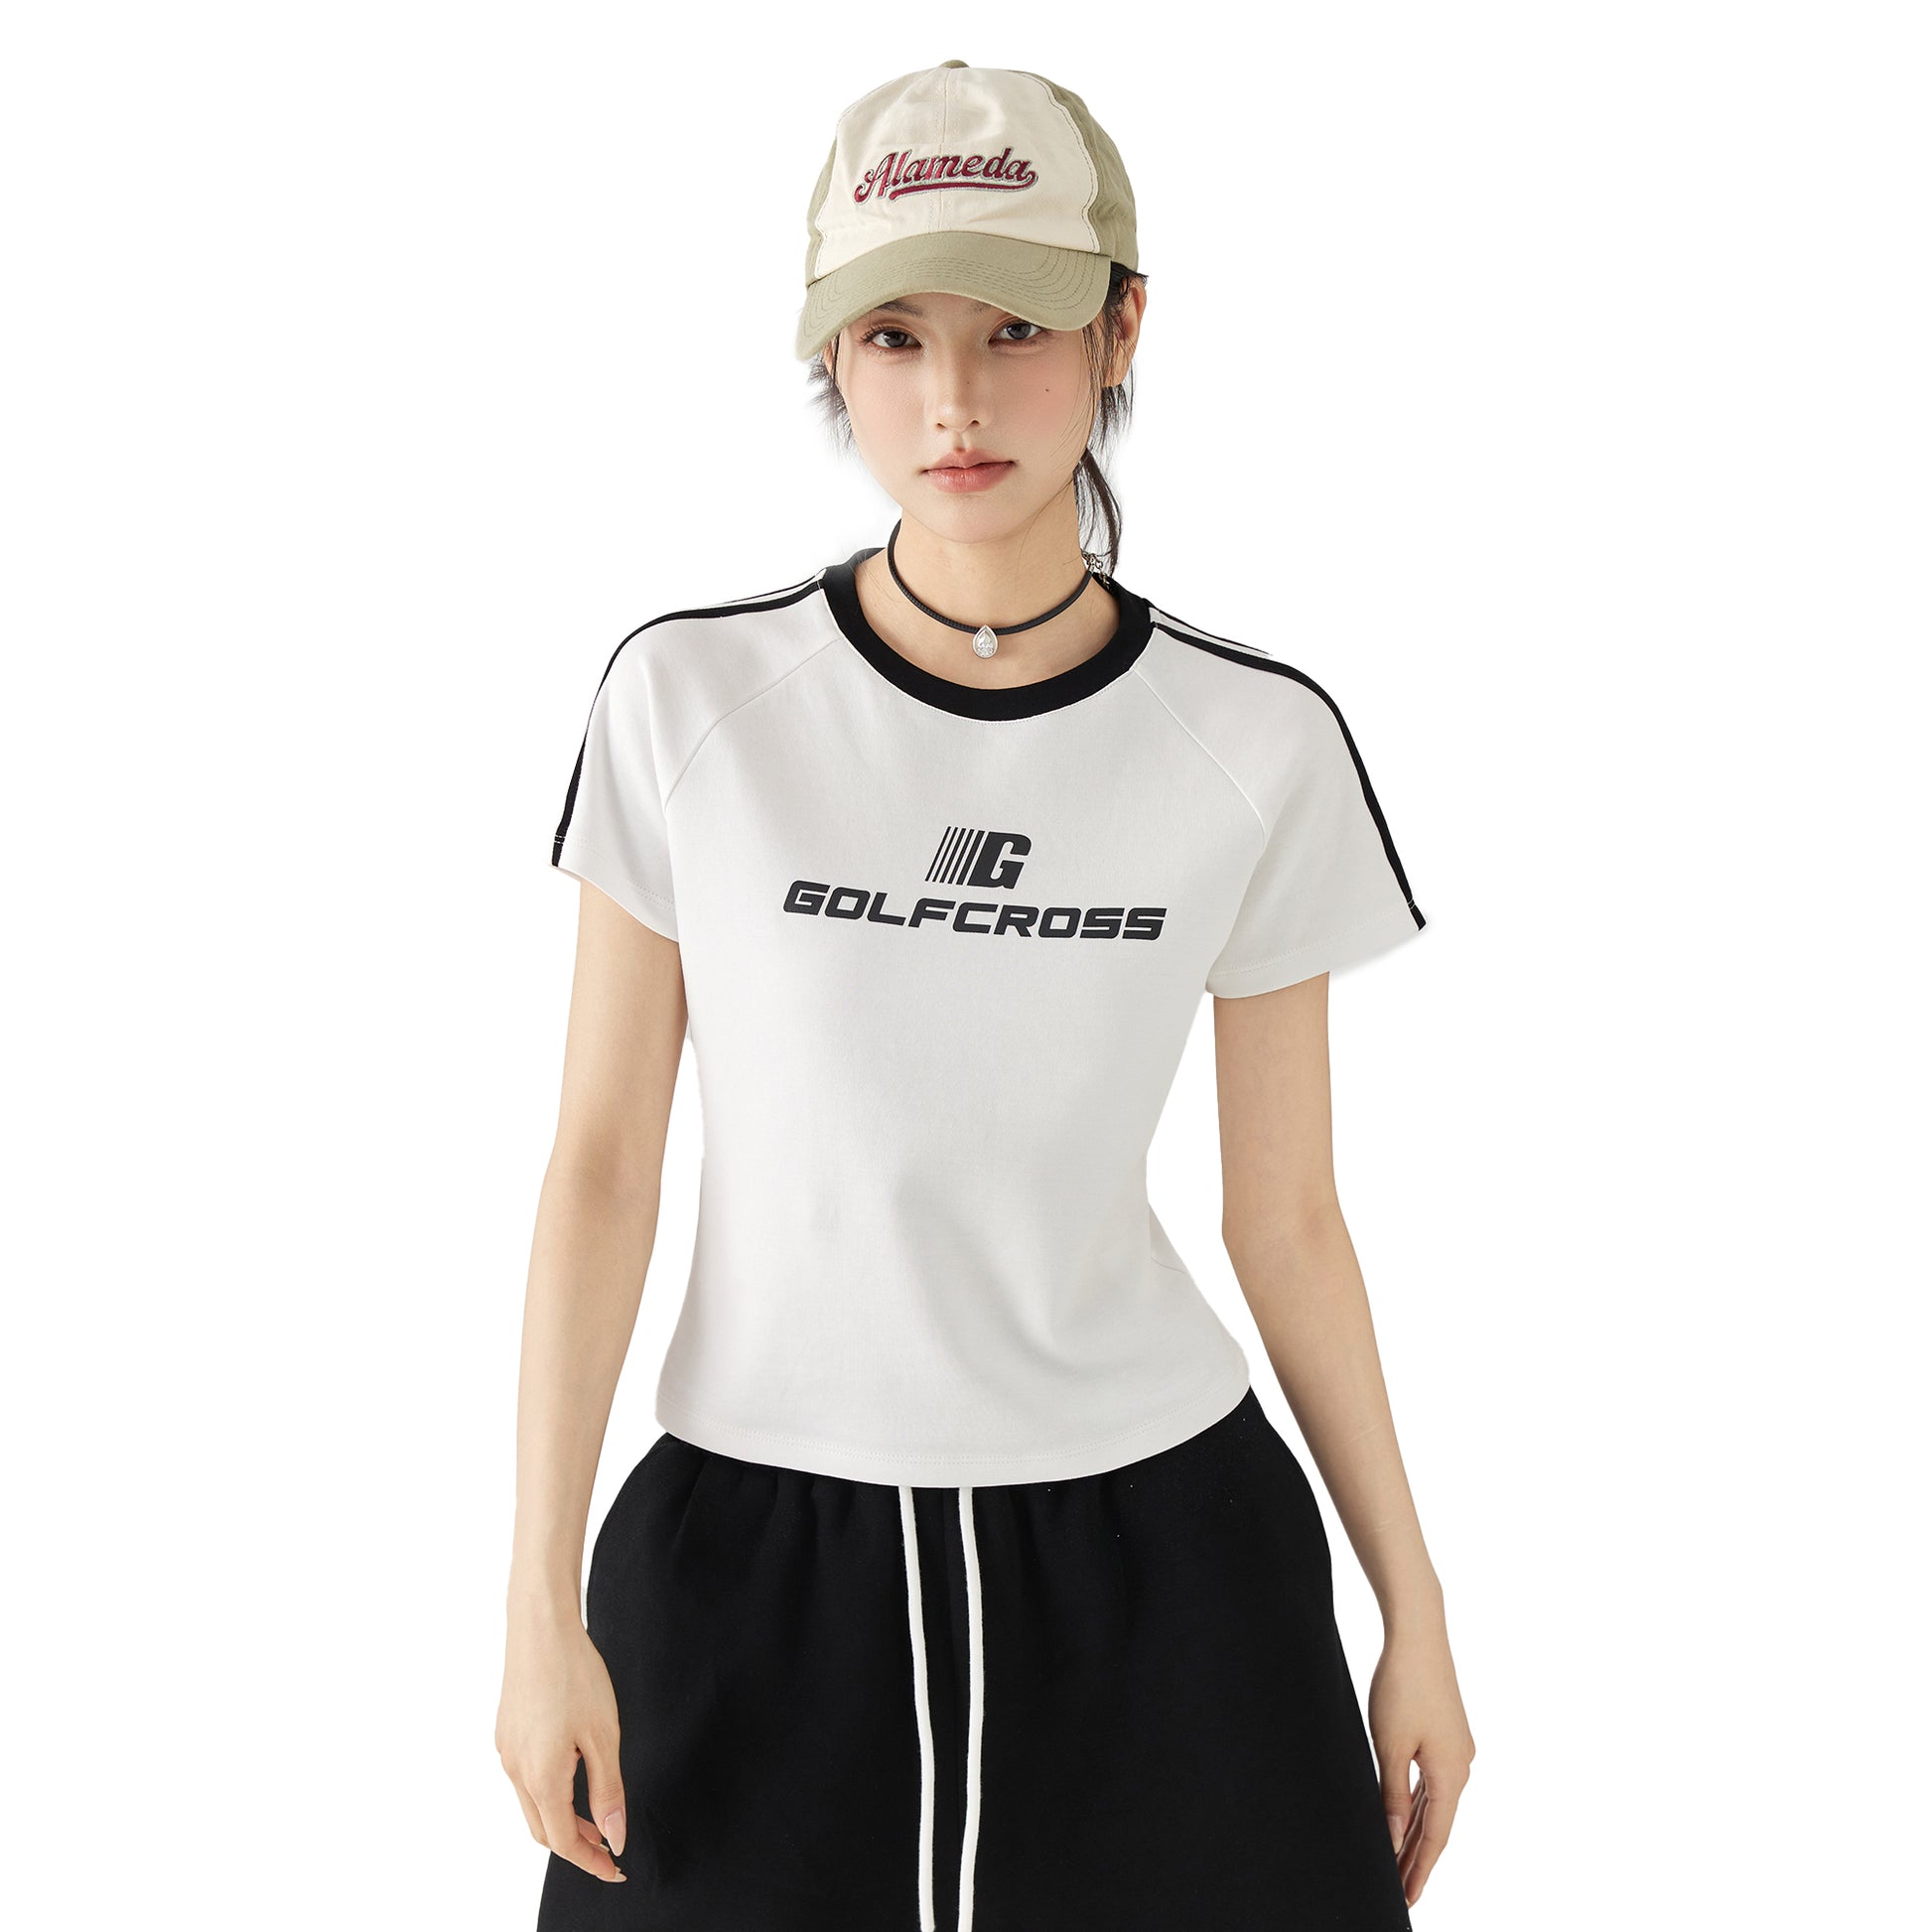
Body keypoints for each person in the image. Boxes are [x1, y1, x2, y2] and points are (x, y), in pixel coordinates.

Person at [496, 58, 1474, 1932]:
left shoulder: (1252, 741)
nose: (952, 399)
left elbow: (1286, 1218)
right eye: (894, 335)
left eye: (1016, 326)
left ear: (1122, 328)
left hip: (1165, 1563)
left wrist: (1411, 1607)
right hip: (751, 1559)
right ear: (833, 355)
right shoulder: (688, 704)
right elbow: (600, 1166)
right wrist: (538, 1604)